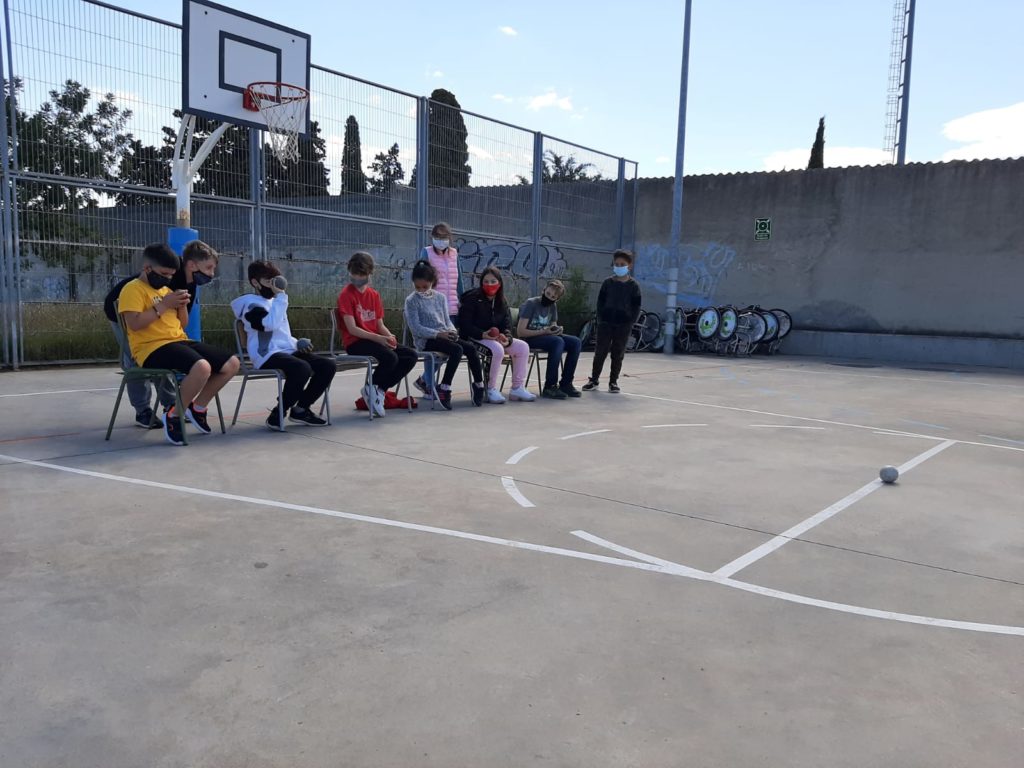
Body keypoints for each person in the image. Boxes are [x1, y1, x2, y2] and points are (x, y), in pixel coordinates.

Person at [118, 243, 239, 445]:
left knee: (232, 364)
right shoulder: (133, 289)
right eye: (164, 274)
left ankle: (197, 408)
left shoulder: (166, 289)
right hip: (151, 347)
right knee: (201, 367)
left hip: (178, 340)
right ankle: (174, 414)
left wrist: (181, 306)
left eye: (171, 275)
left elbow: (182, 324)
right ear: (147, 268)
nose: (167, 279)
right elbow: (135, 324)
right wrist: (164, 305)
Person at [231, 260, 336, 431]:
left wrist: (297, 343)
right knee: (301, 368)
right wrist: (281, 296)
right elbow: (269, 325)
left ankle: (301, 409)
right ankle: (279, 412)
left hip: (286, 351)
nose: (273, 285)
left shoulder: (275, 302)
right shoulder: (250, 305)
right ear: (255, 283)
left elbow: (282, 335)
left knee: (327, 365)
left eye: (275, 280)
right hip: (265, 354)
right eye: (268, 281)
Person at [336, 251, 418, 417]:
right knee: (390, 357)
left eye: (362, 274)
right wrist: (379, 339)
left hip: (374, 340)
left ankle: (378, 390)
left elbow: (379, 324)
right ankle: (372, 389)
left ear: (369, 273)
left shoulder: (374, 295)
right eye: (354, 274)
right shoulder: (346, 295)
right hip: (356, 342)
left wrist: (389, 336)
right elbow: (352, 329)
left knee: (410, 355)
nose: (358, 277)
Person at [404, 260, 486, 410]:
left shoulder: (440, 297)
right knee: (456, 350)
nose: (421, 290)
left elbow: (446, 320)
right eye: (417, 287)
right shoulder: (411, 301)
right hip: (426, 340)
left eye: (425, 286)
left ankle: (479, 385)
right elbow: (416, 329)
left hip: (444, 335)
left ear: (432, 282)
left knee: (471, 348)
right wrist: (438, 334)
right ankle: (445, 387)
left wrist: (452, 331)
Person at [458, 266, 535, 404]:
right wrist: (482, 334)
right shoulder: (472, 298)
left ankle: (517, 388)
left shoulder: (502, 301)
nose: (490, 285)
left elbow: (507, 325)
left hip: (494, 339)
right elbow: (464, 325)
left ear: (499, 283)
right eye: (486, 281)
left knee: (523, 347)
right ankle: (490, 389)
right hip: (473, 338)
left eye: (493, 281)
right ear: (481, 283)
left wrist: (507, 338)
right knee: (497, 350)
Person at [583, 249, 642, 394]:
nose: (619, 267)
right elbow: (600, 302)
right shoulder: (607, 283)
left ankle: (613, 382)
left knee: (618, 353)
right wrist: (601, 319)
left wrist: (630, 321)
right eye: (616, 264)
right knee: (600, 352)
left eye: (622, 264)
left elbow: (636, 306)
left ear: (629, 266)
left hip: (623, 325)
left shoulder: (634, 286)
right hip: (606, 323)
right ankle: (594, 380)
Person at [516, 279, 582, 400]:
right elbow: (520, 331)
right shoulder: (531, 303)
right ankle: (550, 386)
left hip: (546, 336)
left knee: (576, 342)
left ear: (556, 299)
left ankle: (566, 384)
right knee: (557, 342)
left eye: (553, 297)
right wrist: (544, 332)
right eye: (548, 294)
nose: (549, 297)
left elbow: (552, 326)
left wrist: (557, 330)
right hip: (529, 338)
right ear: (544, 290)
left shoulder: (553, 306)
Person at [169, 240, 219, 341]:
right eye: (209, 268)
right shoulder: (169, 277)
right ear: (191, 265)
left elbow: (182, 323)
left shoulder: (191, 285)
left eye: (213, 269)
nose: (212, 274)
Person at [422, 221, 463, 323]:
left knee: (451, 332)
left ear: (449, 238)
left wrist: (462, 299)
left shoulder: (454, 253)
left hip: (452, 308)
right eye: (438, 237)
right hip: (434, 309)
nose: (441, 240)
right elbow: (422, 279)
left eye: (444, 237)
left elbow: (459, 280)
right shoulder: (427, 252)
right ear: (432, 237)